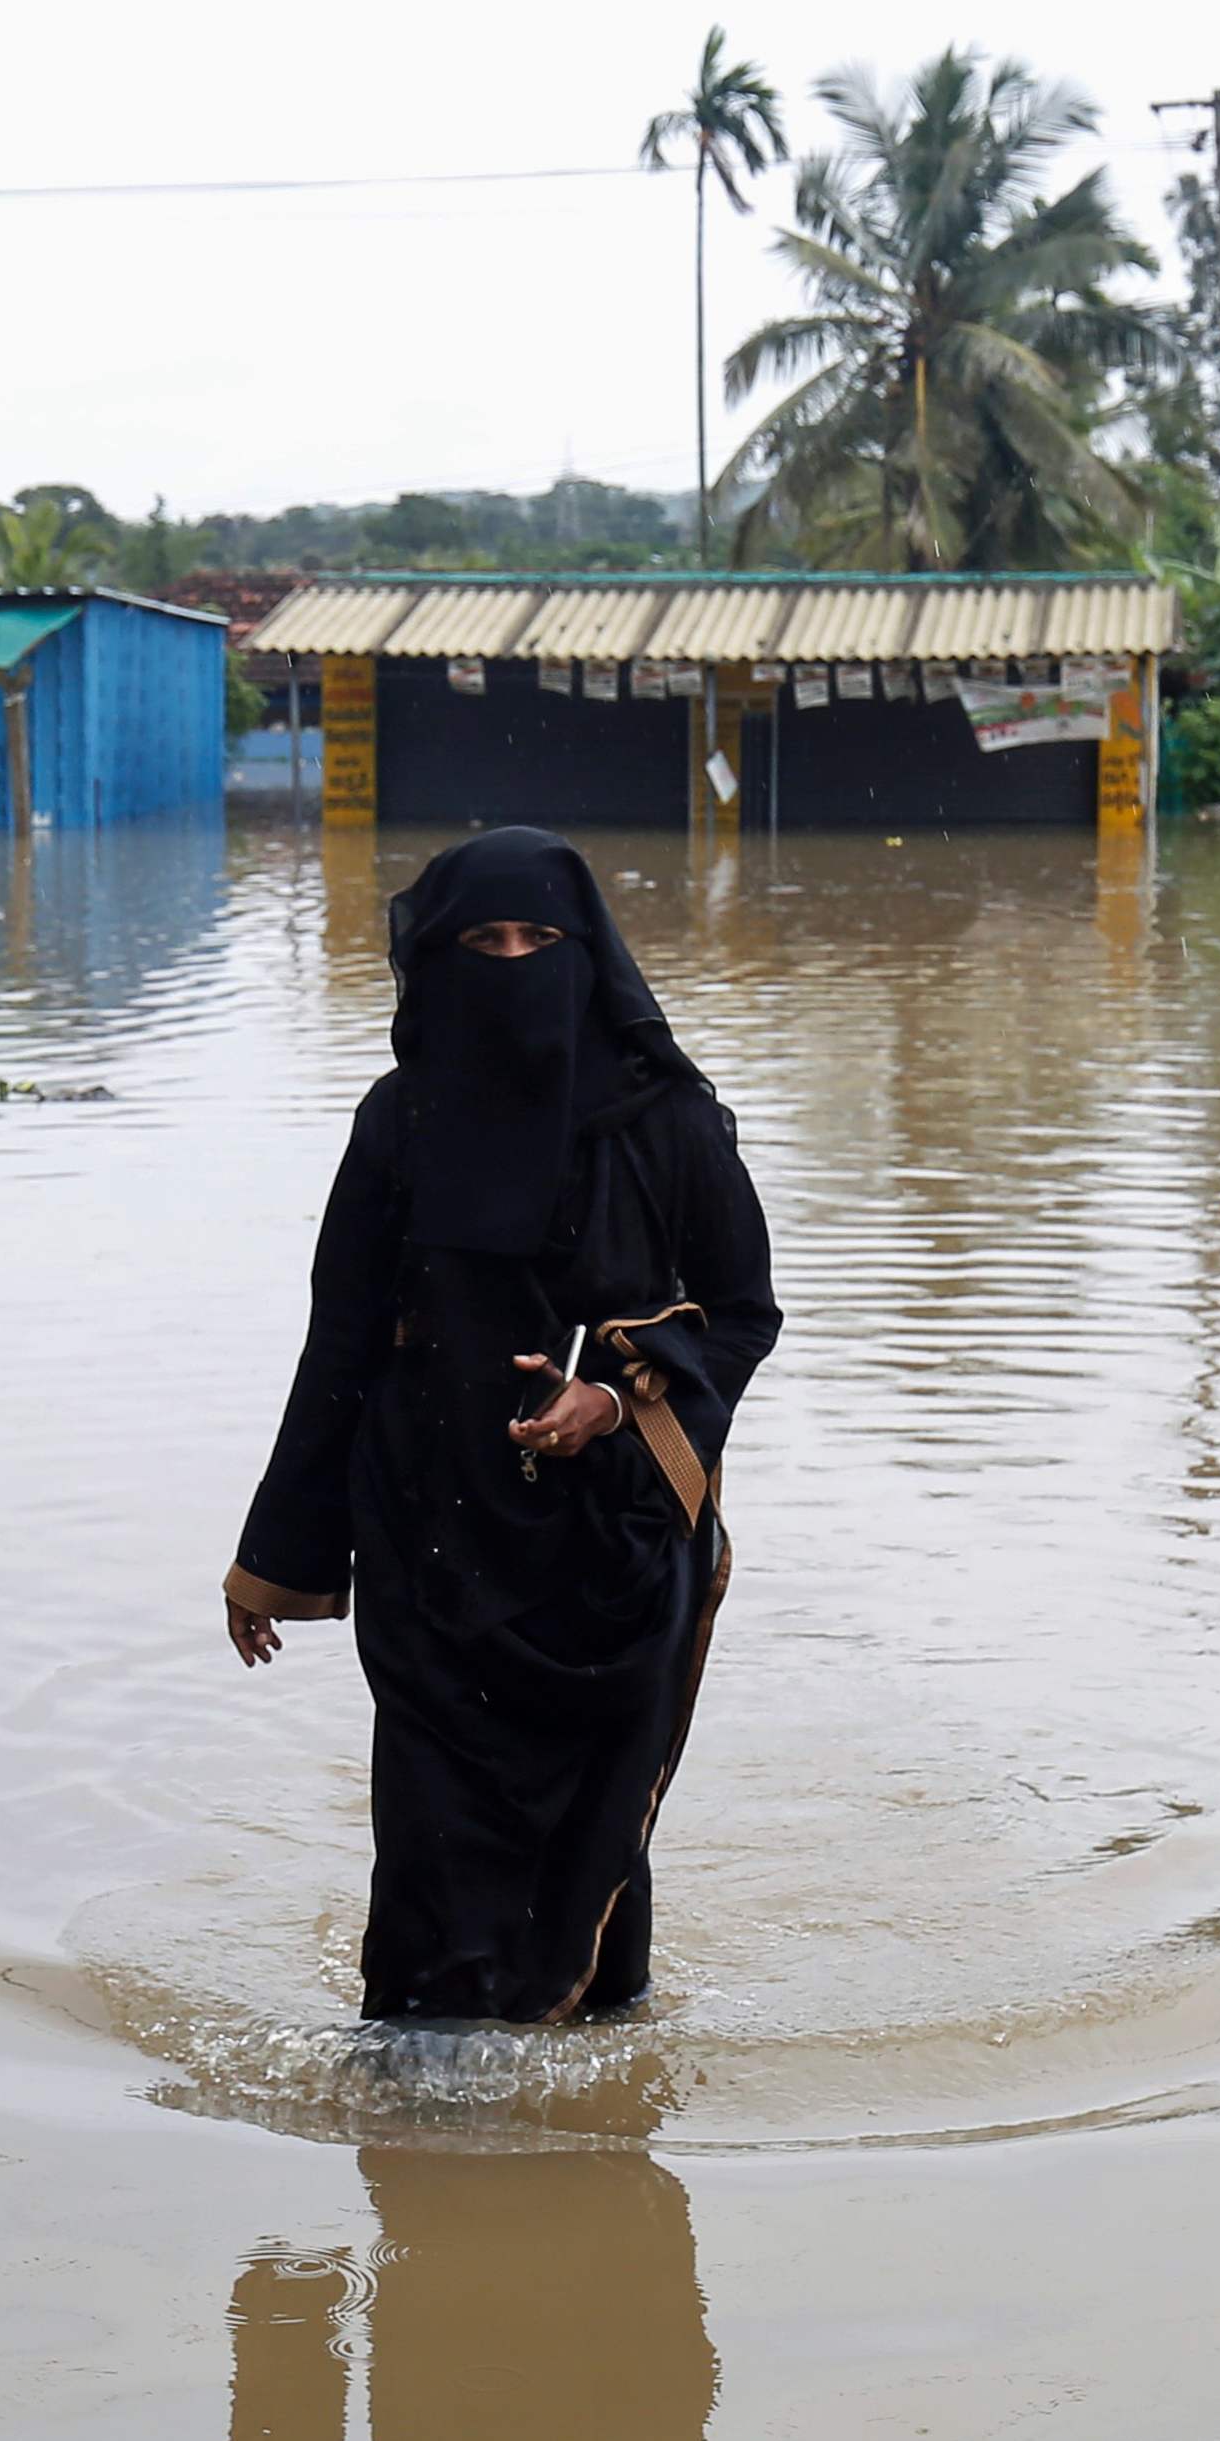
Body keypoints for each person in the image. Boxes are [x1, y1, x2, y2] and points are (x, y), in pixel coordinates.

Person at [224, 830, 779, 2023]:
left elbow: (743, 1314)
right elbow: (342, 1341)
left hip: (616, 1547)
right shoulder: (398, 1123)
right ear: (439, 958)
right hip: (432, 1531)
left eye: (539, 940)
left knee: (597, 1834)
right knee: (429, 1838)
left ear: (588, 956)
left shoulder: (670, 1122)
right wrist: (274, 1560)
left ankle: (591, 2097)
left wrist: (618, 1399)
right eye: (484, 941)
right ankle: (422, 2119)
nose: (514, 962)